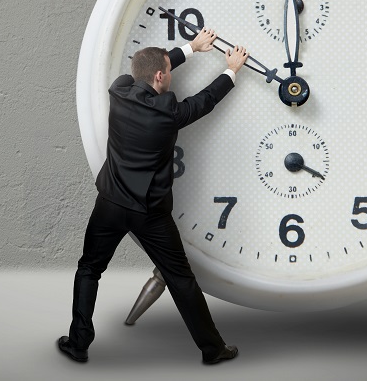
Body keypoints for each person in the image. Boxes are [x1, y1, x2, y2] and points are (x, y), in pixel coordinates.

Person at [58, 27, 248, 365]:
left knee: (89, 268)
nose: (172, 76)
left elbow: (148, 69)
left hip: (110, 204)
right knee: (181, 279)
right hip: (150, 214)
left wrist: (190, 48)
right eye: (170, 72)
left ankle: (78, 343)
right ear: (161, 76)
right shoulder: (168, 113)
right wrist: (231, 69)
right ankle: (213, 349)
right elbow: (204, 102)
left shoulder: (119, 91)